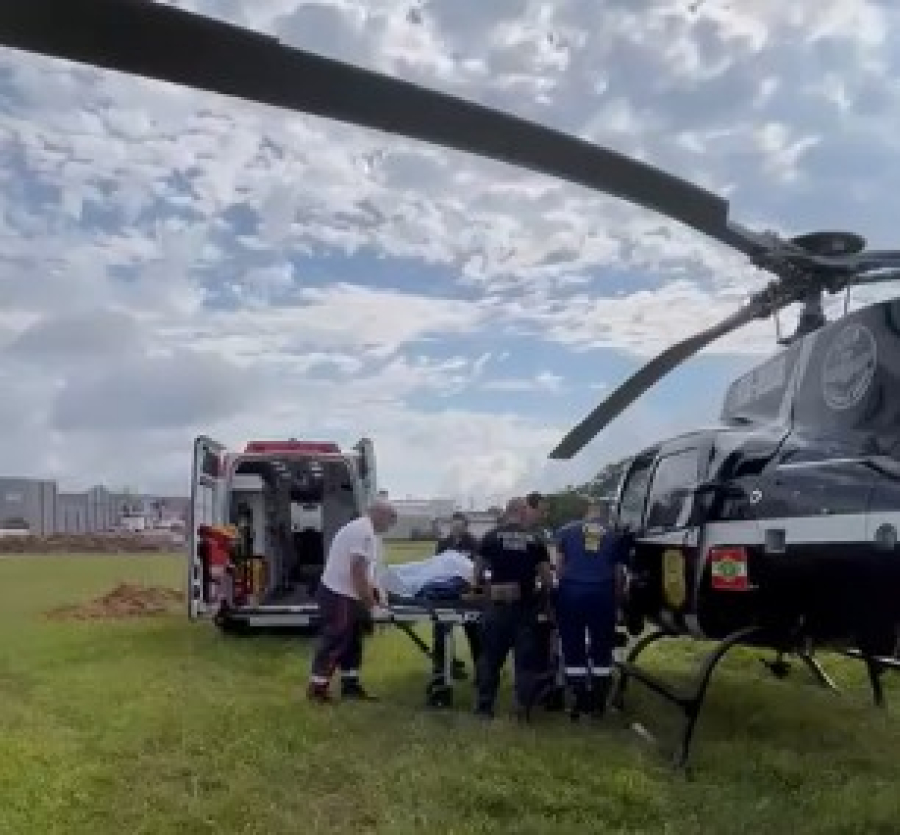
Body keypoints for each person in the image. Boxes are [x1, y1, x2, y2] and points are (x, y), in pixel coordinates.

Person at [307, 498, 397, 704]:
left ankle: (350, 685)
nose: (391, 525)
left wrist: (377, 593)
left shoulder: (367, 532)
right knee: (336, 639)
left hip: (350, 594)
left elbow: (366, 573)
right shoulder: (362, 532)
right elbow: (356, 572)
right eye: (391, 519)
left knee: (353, 642)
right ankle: (317, 689)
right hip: (339, 594)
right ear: (379, 514)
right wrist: (372, 606)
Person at [472, 496, 554, 719]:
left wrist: (485, 588)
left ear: (507, 511)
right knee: (524, 662)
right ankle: (522, 708)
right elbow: (547, 579)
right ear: (521, 511)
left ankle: (484, 707)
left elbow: (477, 574)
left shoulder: (490, 537)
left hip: (497, 609)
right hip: (525, 609)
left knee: (490, 659)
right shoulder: (534, 540)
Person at [554, 498, 630, 720]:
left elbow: (559, 567)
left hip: (572, 593)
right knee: (601, 646)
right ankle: (598, 702)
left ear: (588, 512)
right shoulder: (614, 535)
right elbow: (618, 574)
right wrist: (616, 601)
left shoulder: (566, 531)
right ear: (606, 515)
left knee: (573, 644)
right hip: (602, 594)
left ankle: (579, 699)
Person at [431, 512, 482, 684]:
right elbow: (436, 567)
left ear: (466, 527)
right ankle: (442, 668)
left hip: (467, 594)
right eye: (454, 527)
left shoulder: (474, 543)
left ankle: (480, 670)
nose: (456, 530)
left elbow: (477, 567)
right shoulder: (443, 543)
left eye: (460, 527)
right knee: (441, 631)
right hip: (445, 594)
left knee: (474, 632)